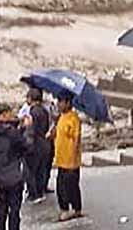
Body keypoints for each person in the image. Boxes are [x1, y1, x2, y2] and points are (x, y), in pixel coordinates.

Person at [0, 104, 30, 230]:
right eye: (10, 113)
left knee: (1, 206)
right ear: (4, 114)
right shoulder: (12, 133)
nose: (13, 116)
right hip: (13, 176)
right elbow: (25, 147)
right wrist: (23, 129)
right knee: (14, 210)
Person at [53, 91, 83, 221]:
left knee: (71, 187)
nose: (58, 104)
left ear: (68, 103)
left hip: (70, 161)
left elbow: (76, 138)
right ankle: (64, 209)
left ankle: (76, 209)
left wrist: (74, 157)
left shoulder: (73, 118)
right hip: (61, 160)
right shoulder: (61, 117)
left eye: (61, 102)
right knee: (60, 187)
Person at [22, 88, 51, 204]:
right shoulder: (44, 111)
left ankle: (33, 194)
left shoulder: (33, 112)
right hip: (44, 143)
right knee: (40, 169)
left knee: (30, 170)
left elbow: (31, 130)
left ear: (31, 98)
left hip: (35, 144)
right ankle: (40, 191)